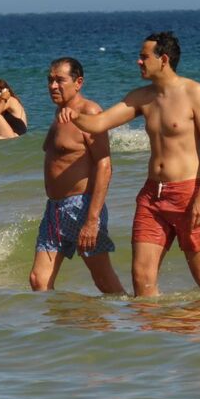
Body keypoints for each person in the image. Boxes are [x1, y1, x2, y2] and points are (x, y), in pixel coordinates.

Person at [58, 32, 200, 297]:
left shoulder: (193, 91)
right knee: (141, 279)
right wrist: (75, 115)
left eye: (143, 56)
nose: (138, 62)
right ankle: (156, 334)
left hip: (188, 193)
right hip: (152, 197)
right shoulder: (141, 97)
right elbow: (100, 122)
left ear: (163, 59)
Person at [29, 57, 125, 294]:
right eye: (50, 80)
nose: (53, 86)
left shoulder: (90, 111)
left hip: (80, 207)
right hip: (54, 209)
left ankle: (129, 320)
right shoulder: (59, 113)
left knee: (104, 281)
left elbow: (104, 165)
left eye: (60, 80)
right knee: (38, 281)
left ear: (78, 82)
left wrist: (92, 220)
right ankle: (61, 329)